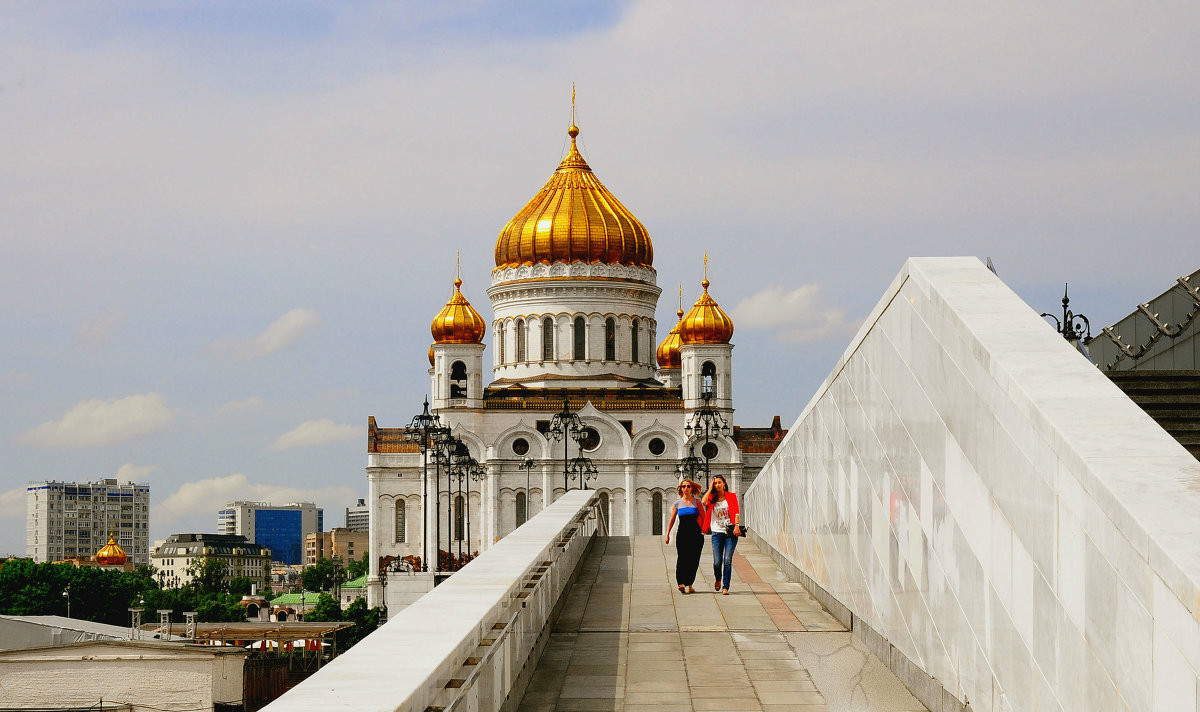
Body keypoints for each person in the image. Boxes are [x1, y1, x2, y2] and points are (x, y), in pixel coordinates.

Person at [664, 479, 705, 594]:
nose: (686, 488)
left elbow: (704, 516)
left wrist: (704, 530)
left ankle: (690, 584)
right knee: (682, 558)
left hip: (696, 534)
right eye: (683, 486)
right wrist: (667, 534)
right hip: (682, 534)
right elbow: (672, 520)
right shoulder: (677, 503)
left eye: (688, 486)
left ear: (692, 488)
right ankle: (681, 583)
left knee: (694, 560)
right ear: (681, 489)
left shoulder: (697, 502)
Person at [702, 474, 741, 594]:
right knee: (717, 562)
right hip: (716, 533)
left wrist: (737, 526)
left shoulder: (732, 496)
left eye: (719, 482)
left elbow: (737, 513)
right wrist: (709, 489)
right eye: (715, 483)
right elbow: (703, 502)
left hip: (730, 532)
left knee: (727, 560)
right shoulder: (712, 498)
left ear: (724, 483)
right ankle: (718, 578)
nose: (717, 485)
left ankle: (725, 587)